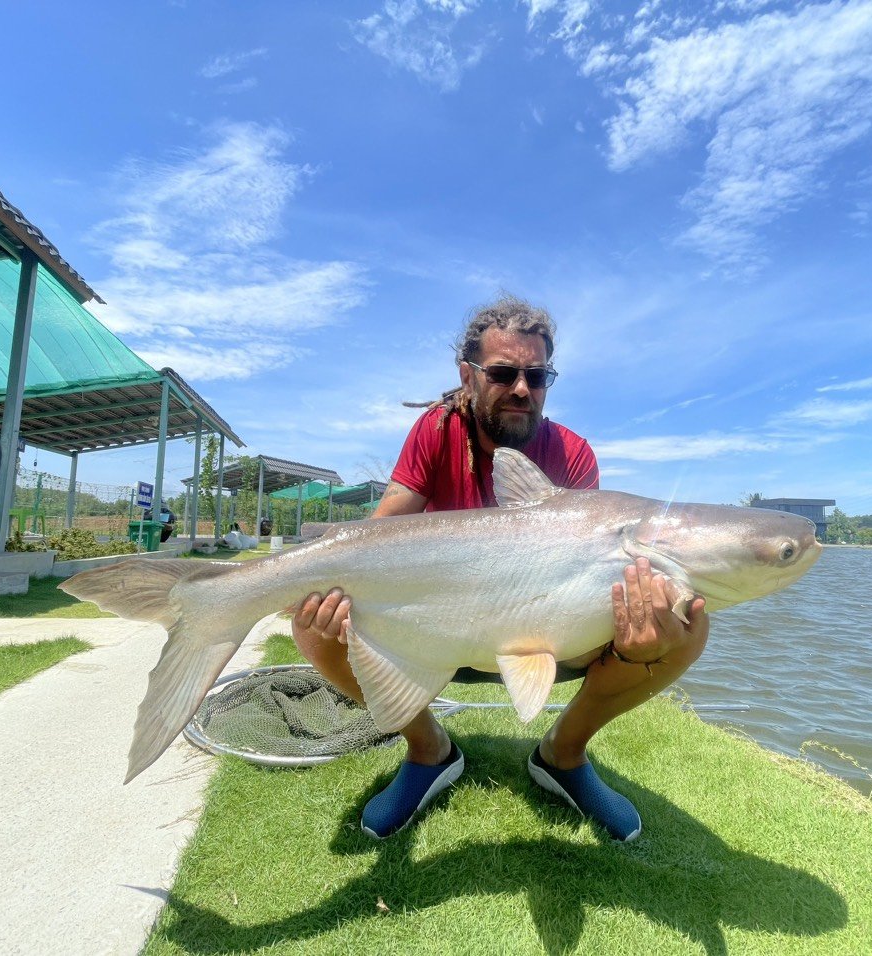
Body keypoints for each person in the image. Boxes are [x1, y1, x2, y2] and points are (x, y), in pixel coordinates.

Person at [291, 295, 709, 840]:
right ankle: (428, 751)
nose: (521, 389)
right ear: (468, 375)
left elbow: (591, 576)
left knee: (689, 629)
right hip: (436, 636)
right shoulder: (434, 431)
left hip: (553, 639)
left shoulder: (573, 454)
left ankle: (563, 754)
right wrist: (330, 585)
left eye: (536, 376)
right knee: (311, 624)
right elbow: (378, 534)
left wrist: (639, 641)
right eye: (504, 372)